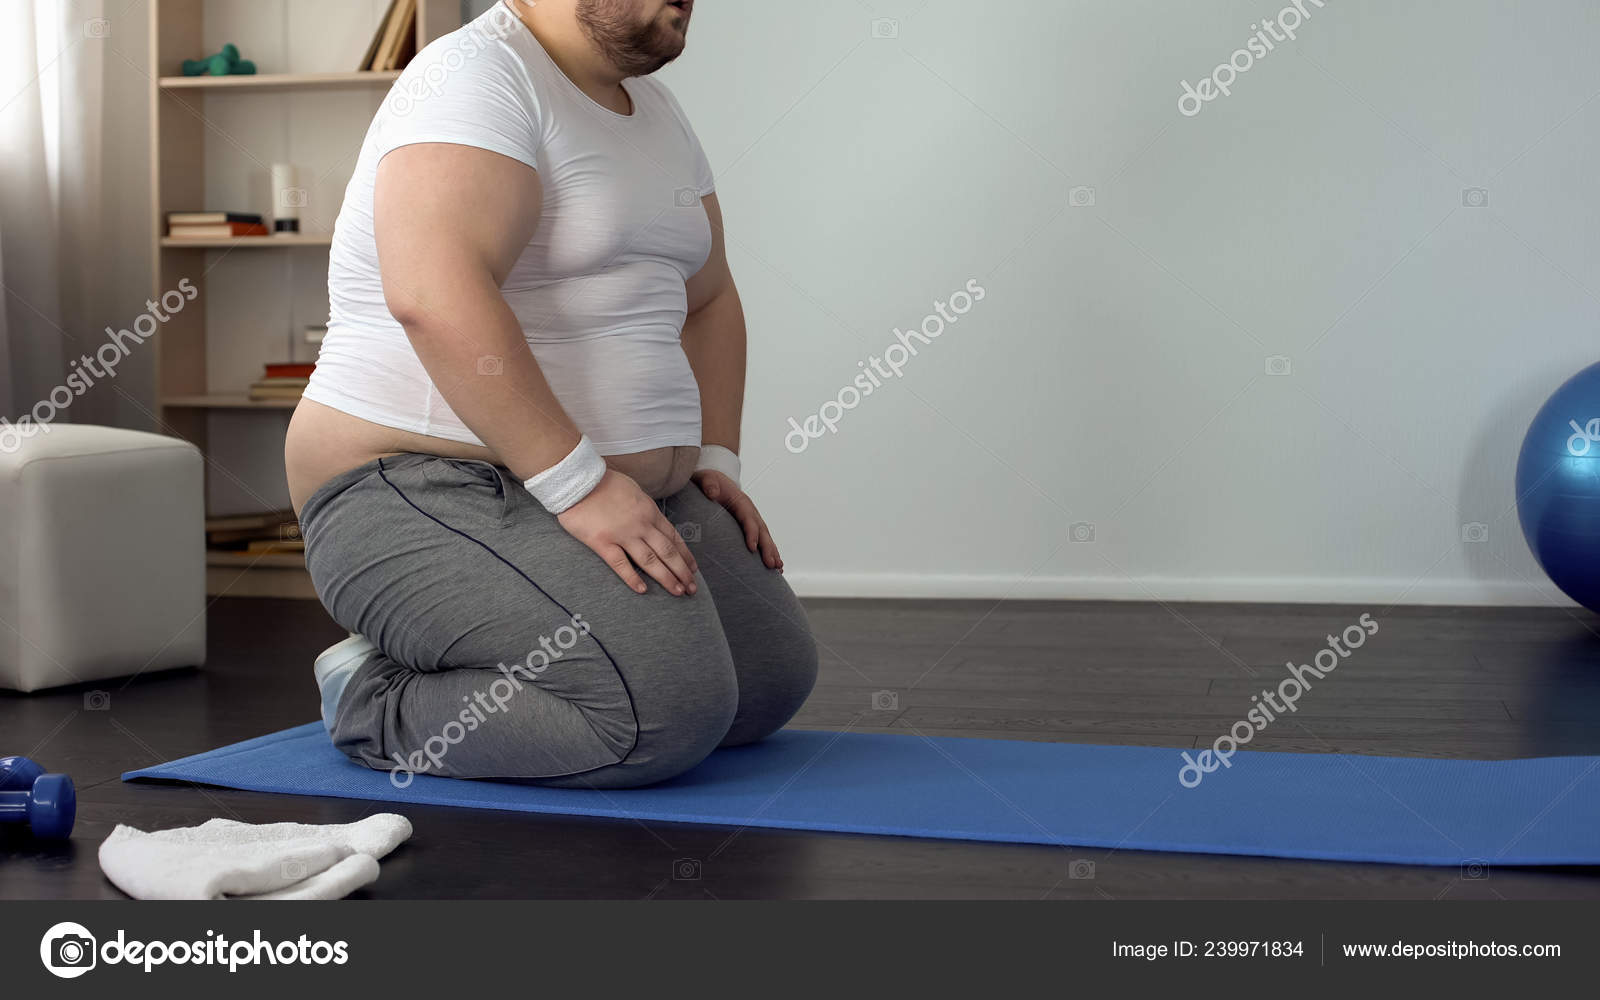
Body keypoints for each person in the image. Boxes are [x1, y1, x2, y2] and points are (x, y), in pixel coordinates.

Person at [283, 0, 817, 788]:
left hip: (600, 485)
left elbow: (710, 300)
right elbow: (434, 294)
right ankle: (373, 695)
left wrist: (714, 460)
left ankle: (495, 639)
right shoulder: (475, 76)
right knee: (660, 715)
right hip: (418, 486)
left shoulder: (658, 113)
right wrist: (579, 482)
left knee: (767, 683)